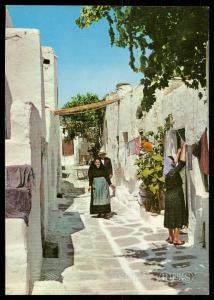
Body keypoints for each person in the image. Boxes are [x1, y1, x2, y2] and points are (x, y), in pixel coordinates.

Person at [163, 143, 188, 246]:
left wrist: (178, 152)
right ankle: (176, 239)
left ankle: (171, 237)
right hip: (176, 196)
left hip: (168, 196)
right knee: (177, 217)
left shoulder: (167, 171)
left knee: (170, 217)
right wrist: (185, 146)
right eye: (173, 161)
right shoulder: (173, 172)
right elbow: (181, 163)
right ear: (171, 163)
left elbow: (176, 163)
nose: (174, 162)